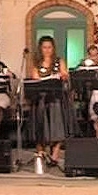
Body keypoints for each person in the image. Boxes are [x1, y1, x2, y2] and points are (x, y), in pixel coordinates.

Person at [30, 36, 73, 165]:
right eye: (44, 47)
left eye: (49, 47)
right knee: (41, 125)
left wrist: (62, 76)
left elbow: (65, 75)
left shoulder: (59, 61)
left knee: (57, 125)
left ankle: (55, 154)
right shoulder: (37, 64)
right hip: (42, 98)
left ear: (53, 48)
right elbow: (35, 79)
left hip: (56, 97)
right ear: (40, 49)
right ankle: (42, 152)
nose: (47, 50)